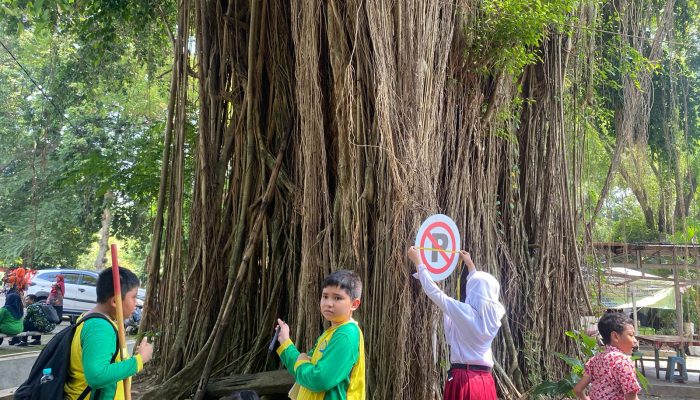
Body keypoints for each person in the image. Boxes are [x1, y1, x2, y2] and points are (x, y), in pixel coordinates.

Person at [407, 246, 505, 400]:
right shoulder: (493, 318)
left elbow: (435, 294)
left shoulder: (466, 314)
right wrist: (470, 266)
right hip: (486, 382)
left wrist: (418, 261)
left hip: (464, 381)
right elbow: (481, 288)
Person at [63, 267, 154, 400]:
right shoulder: (99, 328)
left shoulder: (94, 319)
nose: (136, 303)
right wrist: (139, 360)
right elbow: (97, 376)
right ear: (115, 301)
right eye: (133, 297)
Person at [275, 269, 366, 399]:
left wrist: (302, 362)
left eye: (337, 298)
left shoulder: (346, 334)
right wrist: (285, 342)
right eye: (325, 296)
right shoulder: (330, 333)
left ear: (354, 304)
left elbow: (320, 379)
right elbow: (303, 369)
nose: (328, 303)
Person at [573, 312, 640, 400]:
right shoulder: (623, 361)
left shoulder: (595, 359)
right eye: (631, 335)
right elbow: (631, 395)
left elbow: (577, 389)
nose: (635, 340)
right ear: (615, 336)